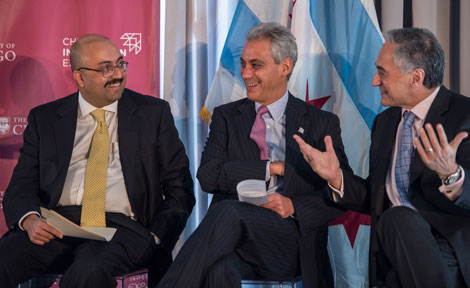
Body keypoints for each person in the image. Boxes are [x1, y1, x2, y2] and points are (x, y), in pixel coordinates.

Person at [157, 23, 351, 288]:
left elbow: (343, 193)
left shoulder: (320, 123)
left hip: (289, 241)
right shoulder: (227, 116)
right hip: (235, 240)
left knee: (229, 211)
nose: (246, 73)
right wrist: (272, 168)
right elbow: (208, 176)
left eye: (256, 65)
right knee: (218, 269)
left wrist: (294, 206)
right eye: (243, 64)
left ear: (285, 67)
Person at [0, 34, 195, 288]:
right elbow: (21, 184)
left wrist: (156, 238)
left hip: (124, 228)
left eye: (119, 64)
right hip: (60, 223)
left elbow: (180, 190)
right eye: (105, 68)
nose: (117, 74)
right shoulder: (45, 119)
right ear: (80, 77)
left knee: (87, 272)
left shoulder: (152, 114)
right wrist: (29, 219)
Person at [295, 27, 470, 287]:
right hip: (391, 251)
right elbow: (376, 198)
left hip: (446, 249)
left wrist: (451, 175)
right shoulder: (385, 122)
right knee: (394, 218)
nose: (375, 81)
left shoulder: (464, 114)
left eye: (382, 72)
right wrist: (337, 178)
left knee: (399, 217)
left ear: (416, 77)